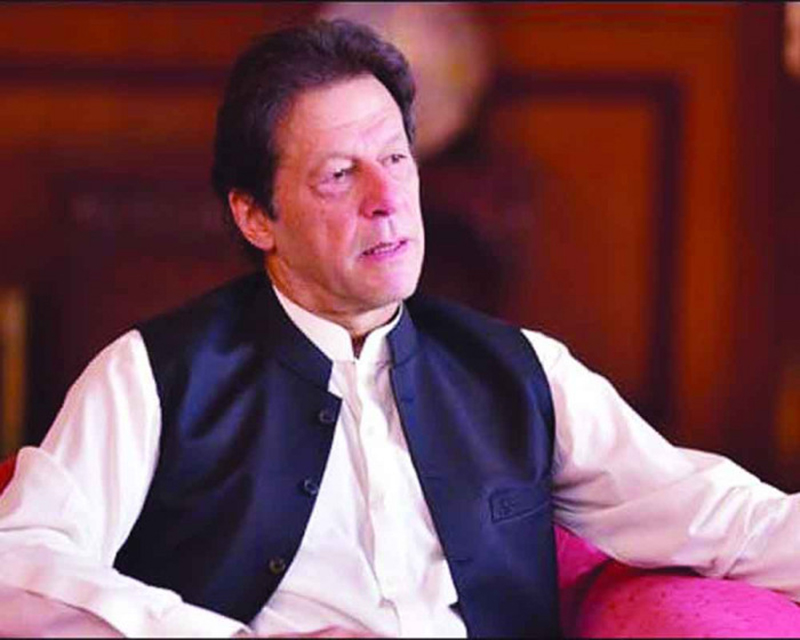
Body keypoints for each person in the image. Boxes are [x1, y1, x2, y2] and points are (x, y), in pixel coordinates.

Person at [0, 19, 798, 638]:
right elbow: (18, 566)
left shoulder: (521, 371)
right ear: (255, 216)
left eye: (396, 159)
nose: (386, 200)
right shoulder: (151, 376)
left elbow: (726, 521)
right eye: (338, 175)